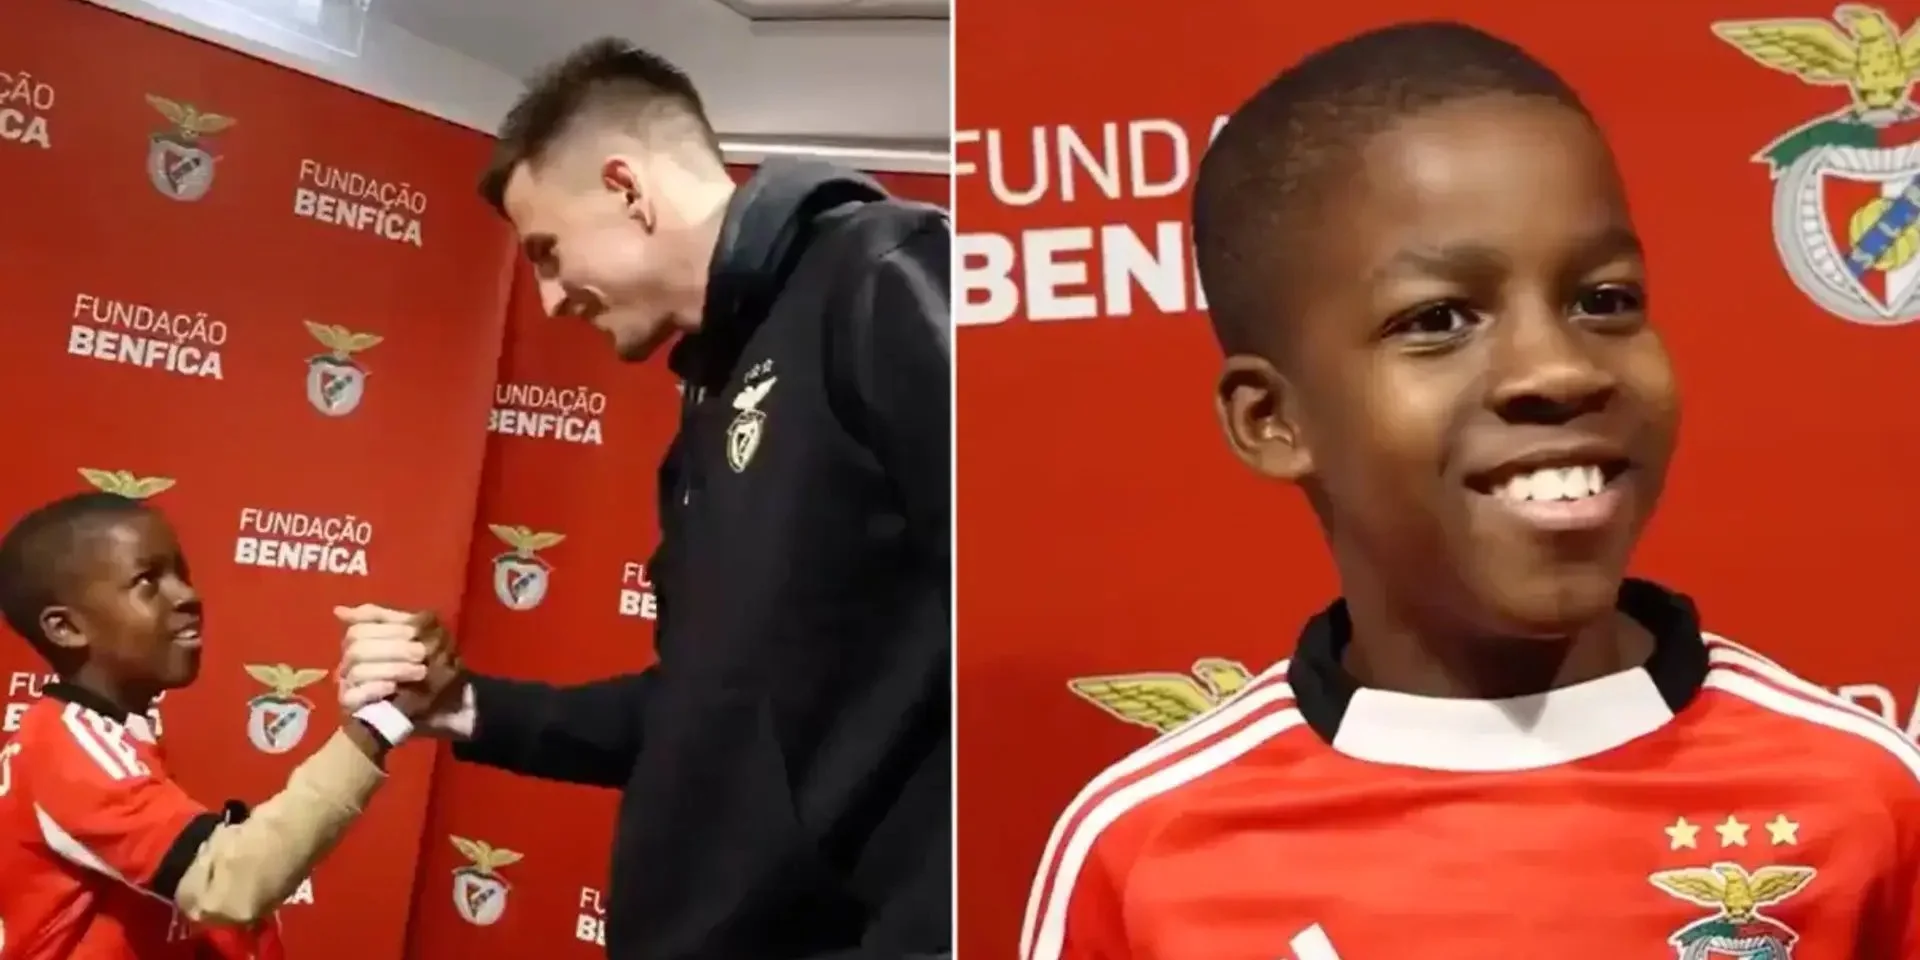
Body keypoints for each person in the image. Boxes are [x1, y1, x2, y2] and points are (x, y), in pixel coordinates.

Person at [1019, 21, 1920, 960]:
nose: (1557, 369)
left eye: (1604, 300)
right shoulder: (1149, 855)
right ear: (1272, 418)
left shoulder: (1862, 802)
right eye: (1439, 319)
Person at [335, 37, 951, 960]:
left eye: (547, 252)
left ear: (627, 188)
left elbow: (1022, 637)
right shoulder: (708, 400)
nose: (549, 300)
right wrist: (460, 705)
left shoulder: (879, 272)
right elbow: (696, 711)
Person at [0, 491, 458, 959]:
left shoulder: (97, 735)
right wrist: (379, 721)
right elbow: (229, 883)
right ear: (66, 628)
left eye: (181, 574)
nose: (188, 596)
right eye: (148, 581)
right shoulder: (67, 750)